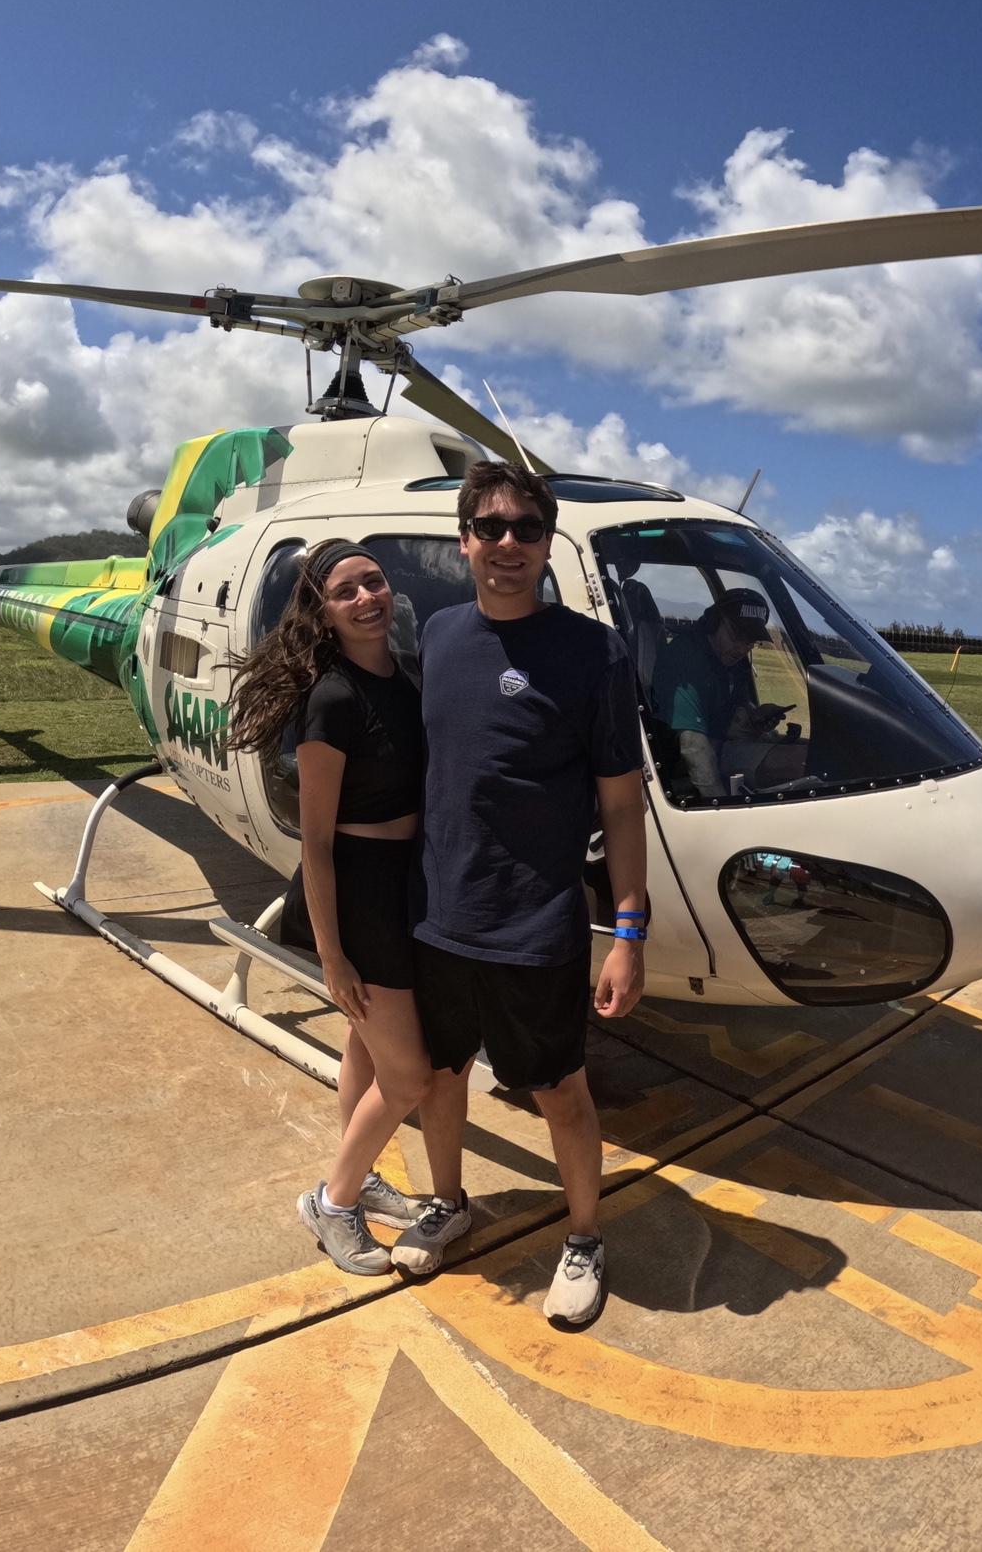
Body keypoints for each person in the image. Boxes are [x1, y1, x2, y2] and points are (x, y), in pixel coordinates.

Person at [391, 461, 650, 1327]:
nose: (507, 544)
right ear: (463, 540)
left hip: (535, 919)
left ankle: (583, 1237)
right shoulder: (439, 635)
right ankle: (449, 1201)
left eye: (525, 530)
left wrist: (627, 930)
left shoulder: (591, 651)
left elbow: (620, 801)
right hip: (438, 913)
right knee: (438, 1075)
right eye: (490, 528)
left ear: (547, 544)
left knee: (559, 1088)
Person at [224, 538, 434, 1276]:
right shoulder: (333, 699)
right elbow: (314, 843)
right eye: (346, 591)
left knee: (364, 1048)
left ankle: (361, 1175)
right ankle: (334, 1201)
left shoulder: (403, 680)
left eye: (375, 583)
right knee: (408, 1075)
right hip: (361, 889)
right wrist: (332, 951)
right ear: (321, 610)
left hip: (407, 880)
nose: (367, 598)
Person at [650, 589, 791, 798]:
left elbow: (736, 705)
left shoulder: (731, 661)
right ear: (713, 623)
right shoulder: (686, 663)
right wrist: (722, 805)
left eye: (750, 642)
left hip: (722, 744)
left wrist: (755, 717)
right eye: (736, 636)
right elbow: (693, 749)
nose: (743, 648)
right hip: (688, 759)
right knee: (798, 762)